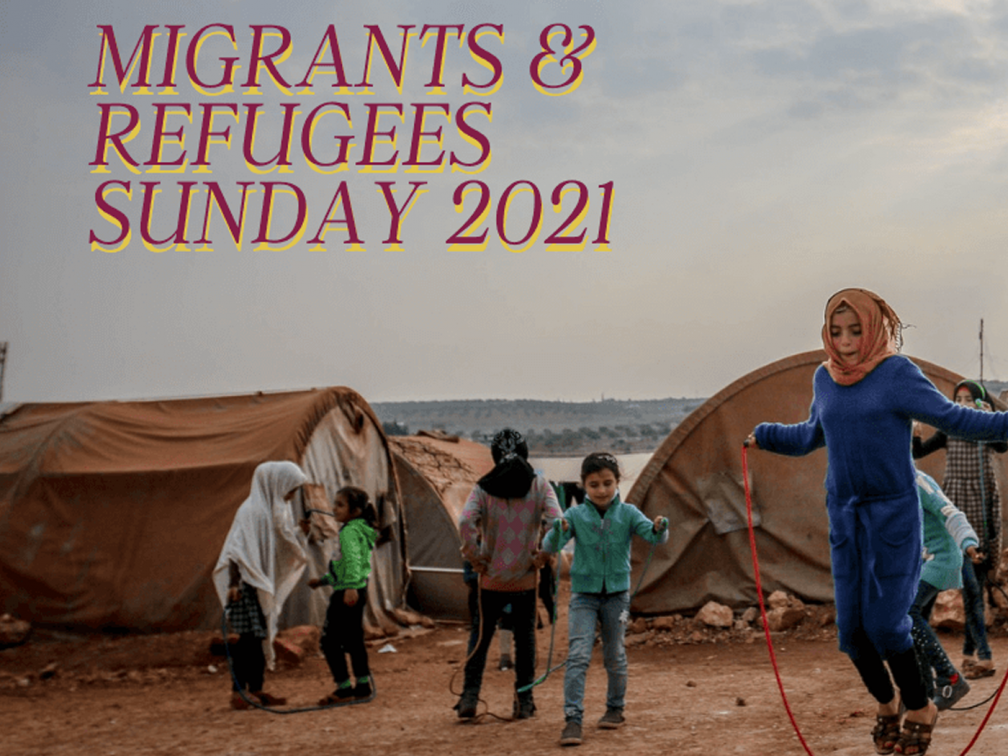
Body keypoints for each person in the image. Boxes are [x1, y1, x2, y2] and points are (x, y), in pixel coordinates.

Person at [745, 288, 1008, 756]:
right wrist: (765, 436)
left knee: (888, 626)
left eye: (856, 330)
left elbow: (952, 418)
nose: (845, 340)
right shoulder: (824, 380)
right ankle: (888, 704)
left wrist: (1005, 424)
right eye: (836, 330)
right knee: (852, 634)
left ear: (875, 328)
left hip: (893, 513)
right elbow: (810, 435)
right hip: (845, 515)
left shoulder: (896, 374)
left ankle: (921, 705)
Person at [541, 451, 668, 747]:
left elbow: (654, 537)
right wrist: (556, 531)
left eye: (607, 483)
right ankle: (573, 719)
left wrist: (662, 526)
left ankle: (615, 708)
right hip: (583, 597)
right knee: (578, 655)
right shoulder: (573, 515)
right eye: (594, 484)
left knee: (615, 654)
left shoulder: (629, 513)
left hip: (618, 598)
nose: (601, 490)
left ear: (617, 482)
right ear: (584, 485)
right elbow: (550, 545)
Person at [456, 428, 563, 721]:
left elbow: (466, 520)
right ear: (526, 453)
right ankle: (524, 701)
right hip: (525, 580)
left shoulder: (483, 488)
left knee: (480, 637)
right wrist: (544, 555)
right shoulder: (540, 486)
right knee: (525, 638)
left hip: (490, 580)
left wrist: (474, 557)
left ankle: (469, 698)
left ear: (494, 457)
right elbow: (559, 522)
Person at [913, 379, 1006, 681]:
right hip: (953, 518)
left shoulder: (984, 434)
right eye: (959, 399)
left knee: (973, 594)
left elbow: (1003, 443)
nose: (963, 404)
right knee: (968, 593)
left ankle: (977, 657)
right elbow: (917, 454)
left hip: (980, 519)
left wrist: (986, 415)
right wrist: (915, 436)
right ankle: (972, 657)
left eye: (970, 400)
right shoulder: (948, 432)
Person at [213, 461, 309, 710]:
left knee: (258, 639)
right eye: (290, 489)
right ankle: (238, 693)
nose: (292, 495)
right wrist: (233, 583)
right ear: (276, 484)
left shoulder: (273, 510)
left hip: (257, 586)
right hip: (245, 588)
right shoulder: (251, 512)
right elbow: (236, 550)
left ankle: (256, 689)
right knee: (248, 642)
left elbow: (279, 542)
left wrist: (299, 533)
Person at [910, 469, 978, 710]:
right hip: (921, 562)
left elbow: (951, 512)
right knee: (914, 625)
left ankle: (949, 677)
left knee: (908, 615)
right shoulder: (889, 484)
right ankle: (923, 693)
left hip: (941, 558)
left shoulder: (918, 480)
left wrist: (968, 542)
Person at [308, 486, 378, 704]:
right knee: (354, 639)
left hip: (348, 592)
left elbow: (353, 562)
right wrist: (324, 580)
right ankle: (363, 685)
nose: (333, 508)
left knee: (329, 642)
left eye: (340, 504)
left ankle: (344, 687)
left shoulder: (349, 531)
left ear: (355, 510)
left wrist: (349, 587)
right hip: (355, 588)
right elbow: (346, 565)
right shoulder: (359, 529)